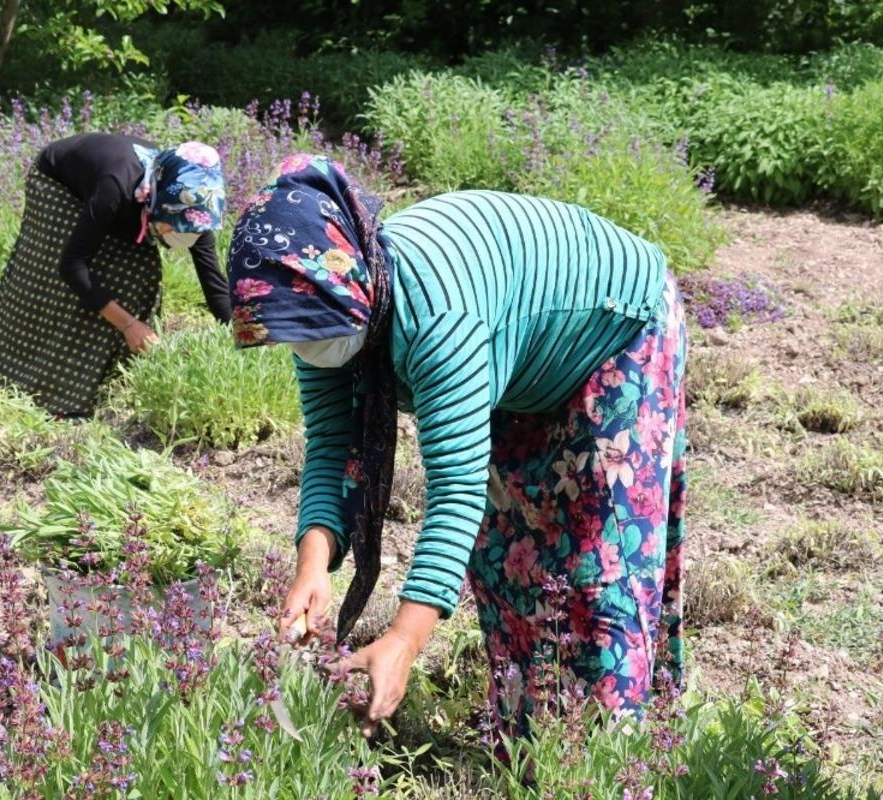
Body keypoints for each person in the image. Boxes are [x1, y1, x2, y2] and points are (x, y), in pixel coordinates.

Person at [227, 154, 687, 738]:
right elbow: (330, 448)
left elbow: (455, 491)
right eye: (284, 332)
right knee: (505, 555)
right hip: (519, 348)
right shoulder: (329, 317)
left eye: (303, 327)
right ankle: (531, 740)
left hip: (616, 327)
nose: (301, 346)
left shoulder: (435, 318)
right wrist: (313, 565)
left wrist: (402, 641)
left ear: (349, 287)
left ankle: (609, 756)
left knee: (601, 566)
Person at [0, 133, 231, 417]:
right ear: (160, 202)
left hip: (121, 201)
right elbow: (72, 266)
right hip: (59, 185)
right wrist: (128, 325)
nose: (184, 236)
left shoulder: (195, 211)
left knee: (138, 277)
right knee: (55, 287)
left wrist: (243, 339)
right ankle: (24, 374)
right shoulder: (117, 189)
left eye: (190, 230)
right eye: (174, 227)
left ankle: (111, 373)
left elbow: (214, 284)